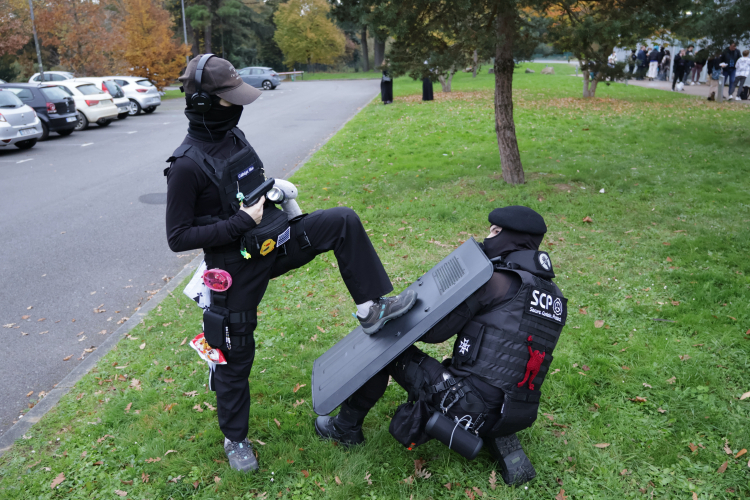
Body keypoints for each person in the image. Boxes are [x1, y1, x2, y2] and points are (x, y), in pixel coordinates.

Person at [165, 54, 417, 472]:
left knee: (341, 221)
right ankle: (235, 439)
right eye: (229, 99)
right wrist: (240, 222)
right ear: (204, 103)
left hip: (276, 241)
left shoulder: (234, 136)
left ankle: (371, 309)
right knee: (234, 356)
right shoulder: (186, 166)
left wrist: (276, 194)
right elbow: (178, 237)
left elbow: (249, 184)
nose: (238, 106)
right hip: (234, 268)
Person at [314, 206, 567, 486]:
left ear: (513, 239)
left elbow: (433, 332)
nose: (487, 237)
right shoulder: (555, 298)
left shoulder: (495, 282)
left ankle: (344, 428)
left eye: (495, 232)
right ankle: (492, 427)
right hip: (517, 412)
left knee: (389, 346)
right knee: (490, 384)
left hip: (469, 405)